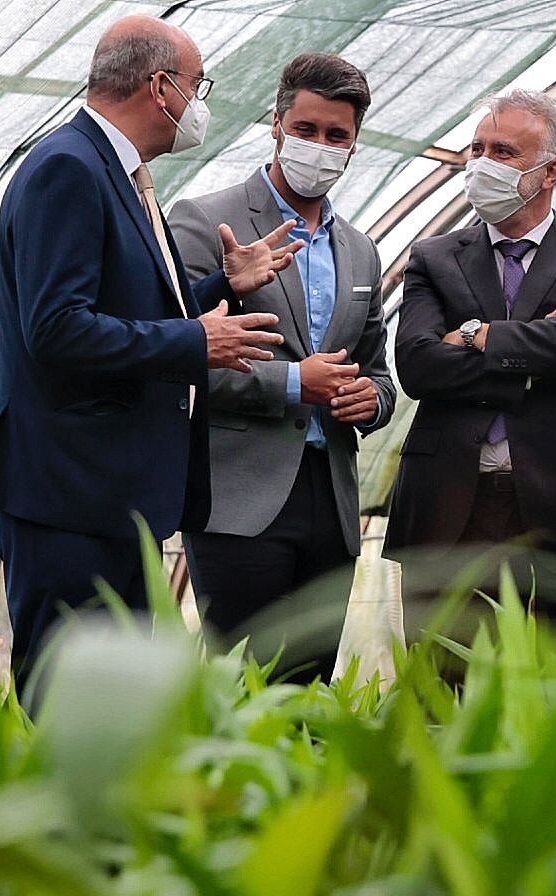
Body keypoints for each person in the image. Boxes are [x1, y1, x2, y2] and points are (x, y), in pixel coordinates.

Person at [0, 15, 298, 699]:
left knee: (121, 710)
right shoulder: (69, 167)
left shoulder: (115, 171)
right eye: (198, 85)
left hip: (110, 494)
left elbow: (118, 306)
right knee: (64, 699)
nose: (199, 104)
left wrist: (216, 289)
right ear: (160, 87)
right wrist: (196, 343)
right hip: (68, 491)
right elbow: (57, 329)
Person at [386, 89, 556, 646]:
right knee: (444, 689)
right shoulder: (434, 256)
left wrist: (477, 335)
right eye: (475, 148)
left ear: (550, 171)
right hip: (452, 504)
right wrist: (546, 346)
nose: (480, 163)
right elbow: (419, 365)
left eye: (501, 152)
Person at [168, 53, 394, 679]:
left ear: (353, 144)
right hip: (240, 498)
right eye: (307, 129)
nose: (319, 147)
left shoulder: (361, 251)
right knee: (239, 685)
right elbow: (180, 357)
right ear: (276, 123)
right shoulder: (205, 221)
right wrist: (296, 382)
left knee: (310, 690)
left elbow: (377, 371)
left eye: (336, 136)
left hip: (332, 497)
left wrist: (371, 401)